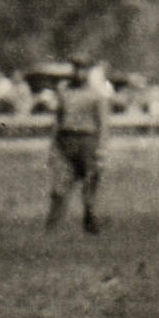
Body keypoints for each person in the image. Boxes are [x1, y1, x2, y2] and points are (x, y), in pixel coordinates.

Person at [46, 53, 111, 234]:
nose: (78, 73)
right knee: (59, 186)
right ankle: (52, 229)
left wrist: (102, 149)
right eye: (76, 68)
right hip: (66, 141)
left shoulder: (97, 95)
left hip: (87, 141)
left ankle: (90, 223)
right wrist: (53, 147)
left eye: (83, 69)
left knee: (90, 183)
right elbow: (58, 121)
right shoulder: (64, 92)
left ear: (89, 71)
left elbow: (103, 124)